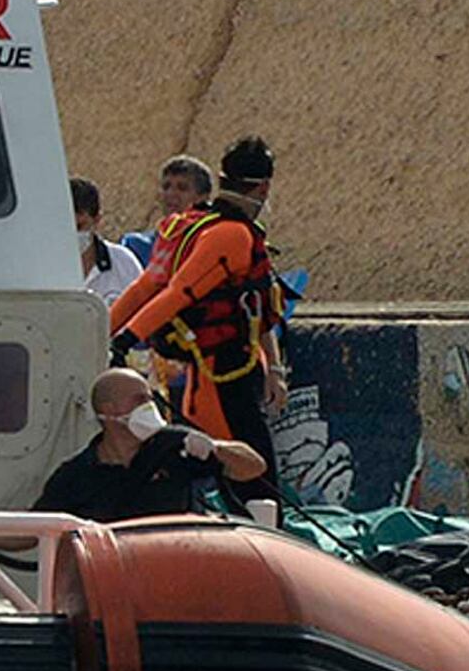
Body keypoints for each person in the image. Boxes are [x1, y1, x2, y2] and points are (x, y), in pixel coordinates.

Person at [109, 136, 288, 490]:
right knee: (256, 472)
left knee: (212, 467)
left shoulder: (186, 227)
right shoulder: (231, 235)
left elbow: (148, 286)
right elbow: (177, 292)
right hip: (224, 375)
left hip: (208, 375)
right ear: (264, 187)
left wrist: (107, 331)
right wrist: (122, 339)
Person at [33, 366, 272, 523]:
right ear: (109, 410)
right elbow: (32, 531)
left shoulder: (174, 446)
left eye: (150, 399)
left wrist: (215, 447)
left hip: (176, 566)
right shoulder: (78, 474)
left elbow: (254, 467)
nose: (149, 406)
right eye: (140, 400)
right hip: (114, 574)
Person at [72, 175, 144, 308]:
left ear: (96, 220)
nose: (73, 234)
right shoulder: (44, 266)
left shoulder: (124, 262)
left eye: (79, 226)